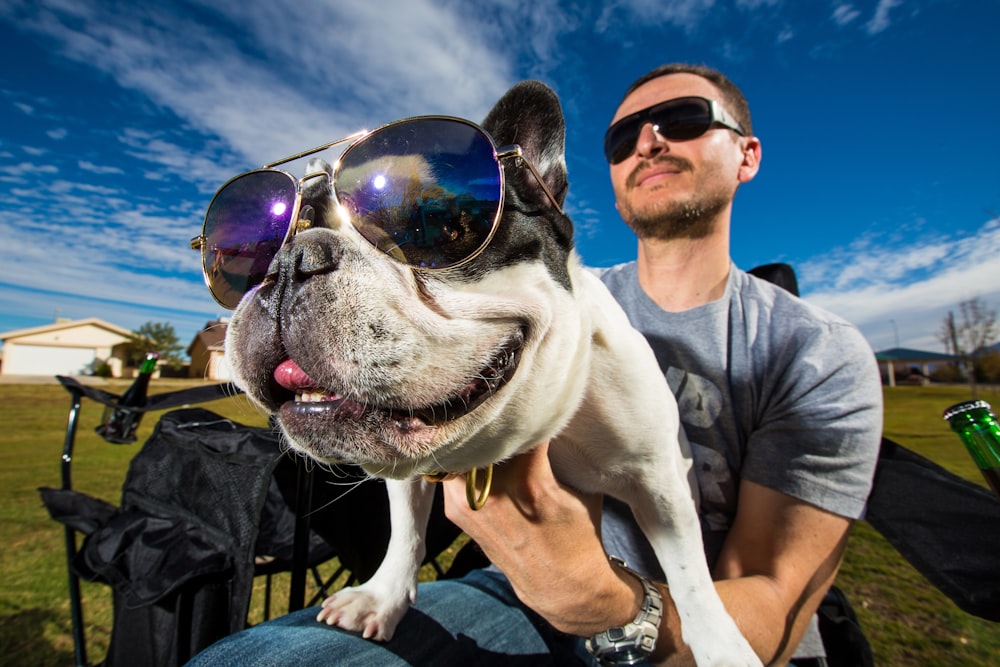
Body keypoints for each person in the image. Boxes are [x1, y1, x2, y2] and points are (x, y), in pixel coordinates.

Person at [188, 64, 882, 666]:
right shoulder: (547, 287)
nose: (650, 140)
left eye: (684, 118)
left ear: (749, 154)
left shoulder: (813, 349)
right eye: (623, 135)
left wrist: (602, 599)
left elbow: (774, 603)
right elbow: (423, 415)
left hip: (676, 621)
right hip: (513, 588)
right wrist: (400, 564)